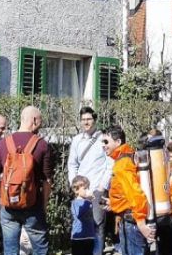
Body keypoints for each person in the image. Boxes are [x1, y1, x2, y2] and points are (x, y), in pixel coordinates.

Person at [0, 106, 53, 255]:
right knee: (40, 249)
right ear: (34, 120)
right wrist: (43, 205)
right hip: (33, 205)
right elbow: (47, 181)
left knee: (11, 249)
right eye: (40, 121)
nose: (41, 125)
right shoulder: (42, 145)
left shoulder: (3, 143)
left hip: (8, 206)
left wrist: (2, 197)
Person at [104, 125, 152, 255]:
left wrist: (141, 223)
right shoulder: (126, 157)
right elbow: (126, 191)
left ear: (118, 142)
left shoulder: (122, 164)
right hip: (129, 220)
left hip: (132, 222)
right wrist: (114, 202)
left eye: (106, 142)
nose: (104, 145)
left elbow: (135, 194)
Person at [67, 107, 109, 255]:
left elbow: (109, 164)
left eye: (89, 119)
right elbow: (72, 164)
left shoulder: (103, 139)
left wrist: (102, 186)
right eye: (83, 119)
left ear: (95, 120)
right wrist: (75, 184)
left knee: (98, 225)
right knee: (81, 223)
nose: (86, 122)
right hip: (81, 190)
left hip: (97, 189)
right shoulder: (77, 140)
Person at [70, 175, 96, 255]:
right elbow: (79, 214)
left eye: (88, 188)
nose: (87, 190)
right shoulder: (76, 203)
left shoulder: (87, 201)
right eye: (85, 188)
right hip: (79, 237)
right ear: (76, 190)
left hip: (89, 235)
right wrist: (89, 201)